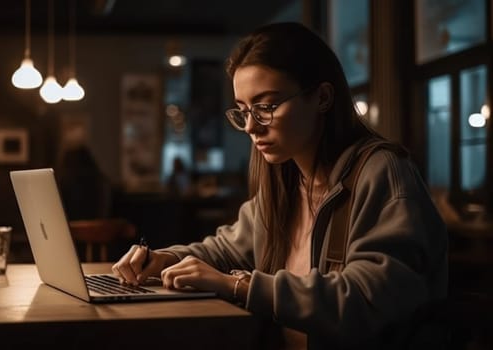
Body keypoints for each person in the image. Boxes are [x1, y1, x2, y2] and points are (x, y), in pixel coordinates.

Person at [112, 22, 448, 349]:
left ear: (323, 97)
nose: (250, 127)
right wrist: (162, 260)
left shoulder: (382, 173)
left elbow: (364, 298)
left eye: (266, 107)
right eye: (243, 111)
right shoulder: (286, 177)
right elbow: (225, 249)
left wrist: (238, 286)